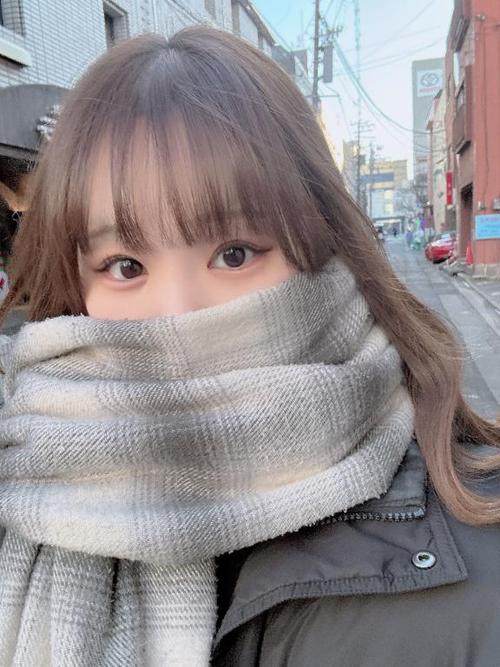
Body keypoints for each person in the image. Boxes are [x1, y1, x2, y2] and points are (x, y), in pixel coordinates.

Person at [0, 26, 499, 667]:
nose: (177, 315)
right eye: (125, 266)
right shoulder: (26, 480)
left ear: (325, 247)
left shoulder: (478, 559)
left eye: (233, 254)